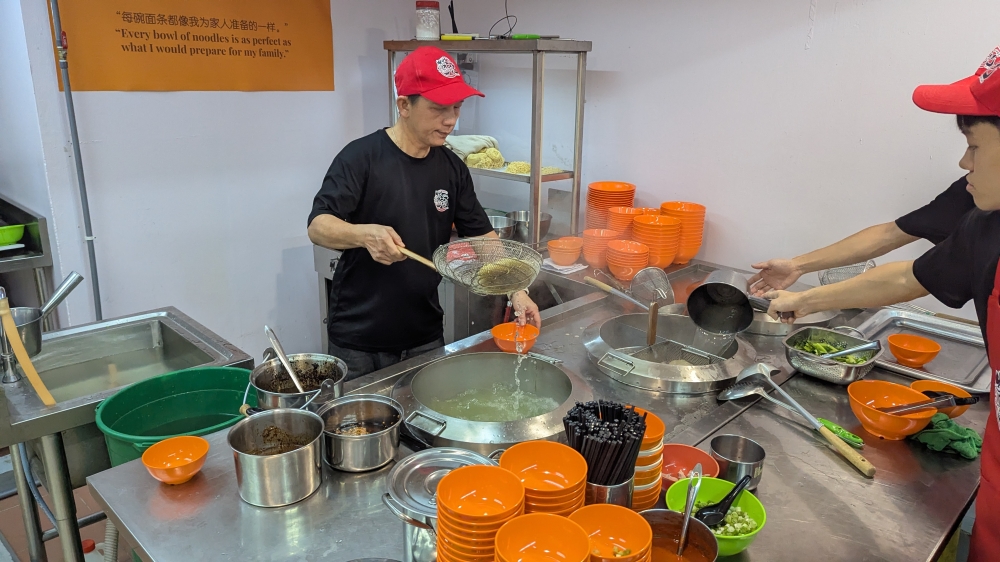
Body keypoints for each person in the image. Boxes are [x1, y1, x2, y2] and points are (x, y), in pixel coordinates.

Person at [766, 46, 1000, 561]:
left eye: (975, 145)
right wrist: (803, 295)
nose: (963, 163)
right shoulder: (985, 220)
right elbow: (909, 274)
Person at [308, 46, 540, 380]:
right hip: (359, 339)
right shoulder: (361, 158)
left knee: (421, 429)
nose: (451, 120)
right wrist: (364, 234)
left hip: (424, 334)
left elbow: (482, 236)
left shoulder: (451, 167)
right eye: (438, 108)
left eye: (457, 107)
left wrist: (516, 290)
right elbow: (318, 225)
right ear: (404, 105)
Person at [748, 176, 973, 295]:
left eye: (975, 146)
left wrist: (807, 300)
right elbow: (888, 235)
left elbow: (912, 282)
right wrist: (797, 265)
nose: (964, 162)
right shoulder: (969, 194)